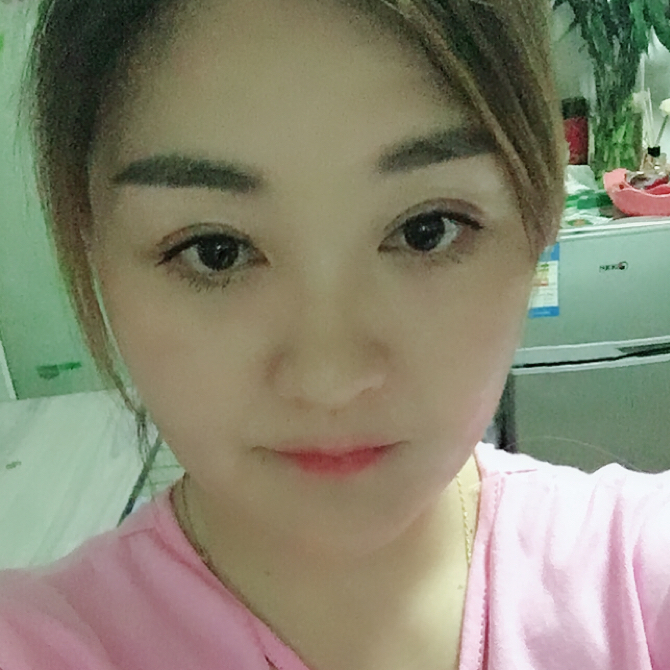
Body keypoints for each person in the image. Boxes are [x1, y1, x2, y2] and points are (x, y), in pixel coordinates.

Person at [1, 0, 668, 668]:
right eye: (215, 251)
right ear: (93, 250)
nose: (331, 380)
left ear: (539, 216)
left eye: (426, 230)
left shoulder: (641, 578)